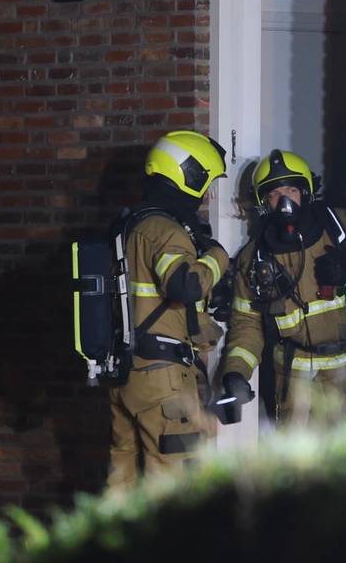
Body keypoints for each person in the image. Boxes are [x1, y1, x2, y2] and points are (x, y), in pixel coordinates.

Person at [108, 130, 231, 488]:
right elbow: (185, 286)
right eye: (205, 184)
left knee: (122, 485)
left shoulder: (128, 225)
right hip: (163, 379)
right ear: (188, 176)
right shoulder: (164, 230)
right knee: (176, 487)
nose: (206, 195)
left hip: (127, 375)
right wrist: (217, 258)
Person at [218, 149, 346, 423]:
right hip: (292, 376)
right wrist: (235, 374)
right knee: (294, 459)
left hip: (344, 371)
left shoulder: (341, 227)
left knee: (344, 455)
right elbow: (246, 325)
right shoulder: (254, 258)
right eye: (273, 195)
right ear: (263, 203)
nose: (284, 201)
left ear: (306, 193)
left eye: (291, 190)